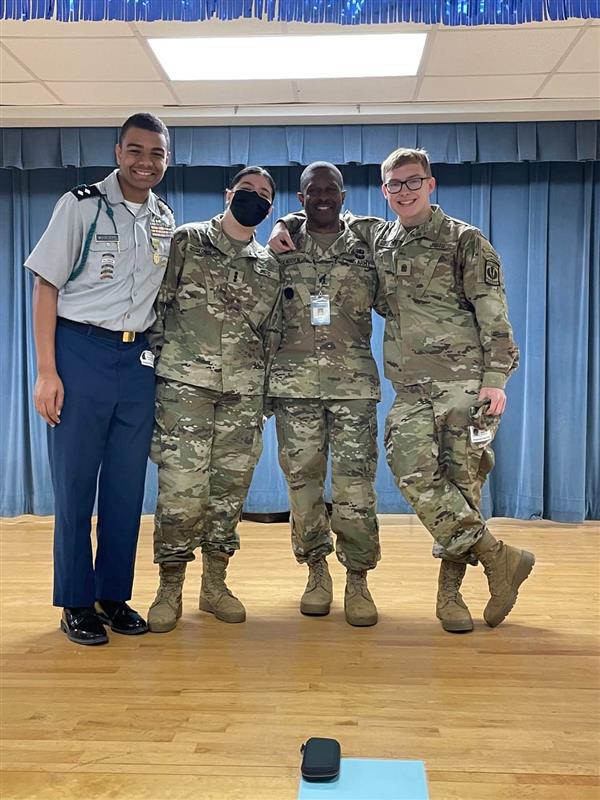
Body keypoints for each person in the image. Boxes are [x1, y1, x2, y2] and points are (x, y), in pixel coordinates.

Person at [270, 148, 534, 632]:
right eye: (395, 184)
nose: (404, 191)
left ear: (430, 185)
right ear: (384, 190)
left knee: (463, 486)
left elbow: (496, 316)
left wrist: (496, 380)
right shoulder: (377, 238)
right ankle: (497, 557)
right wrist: (284, 221)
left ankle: (451, 595)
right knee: (409, 469)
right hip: (410, 389)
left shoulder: (465, 240)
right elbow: (320, 209)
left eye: (413, 182)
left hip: (464, 387)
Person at [26, 112, 173, 645]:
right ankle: (76, 601)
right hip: (79, 351)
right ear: (117, 152)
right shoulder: (80, 205)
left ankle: (113, 595)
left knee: (125, 488)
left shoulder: (163, 219)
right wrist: (47, 371)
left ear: (167, 159)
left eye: (156, 153)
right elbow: (46, 288)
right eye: (136, 151)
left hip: (136, 362)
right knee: (74, 484)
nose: (145, 162)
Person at [146, 166, 281, 633]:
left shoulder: (268, 266)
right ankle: (169, 587)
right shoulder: (187, 240)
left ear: (270, 208)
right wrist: (160, 370)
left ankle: (215, 585)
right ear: (229, 194)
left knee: (228, 494)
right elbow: (157, 308)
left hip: (242, 396)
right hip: (185, 390)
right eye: (248, 190)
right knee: (181, 493)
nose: (256, 198)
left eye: (266, 195)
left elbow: (273, 334)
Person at [267, 162, 384, 627]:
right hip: (295, 388)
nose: (322, 197)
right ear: (299, 198)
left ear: (344, 194)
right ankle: (316, 571)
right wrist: (281, 224)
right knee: (303, 483)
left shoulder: (368, 243)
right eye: (312, 191)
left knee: (356, 486)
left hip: (353, 386)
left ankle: (358, 578)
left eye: (330, 190)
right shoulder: (281, 248)